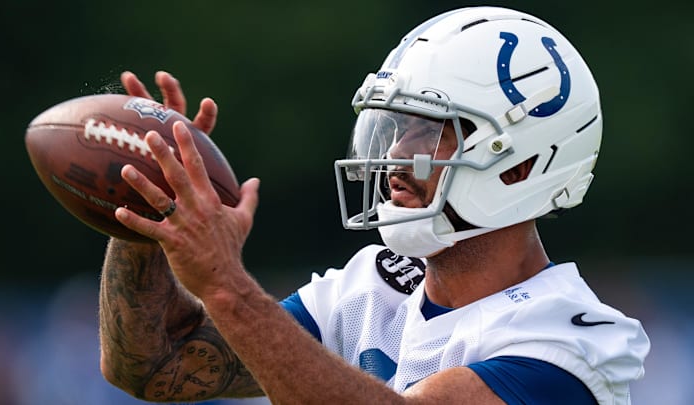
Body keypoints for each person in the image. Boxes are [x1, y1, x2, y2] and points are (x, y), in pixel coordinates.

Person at [98, 6, 650, 404]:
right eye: (395, 126)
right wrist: (148, 201)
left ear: (521, 165)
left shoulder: (571, 341)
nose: (395, 154)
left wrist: (225, 286)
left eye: (431, 132)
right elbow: (154, 366)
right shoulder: (374, 289)